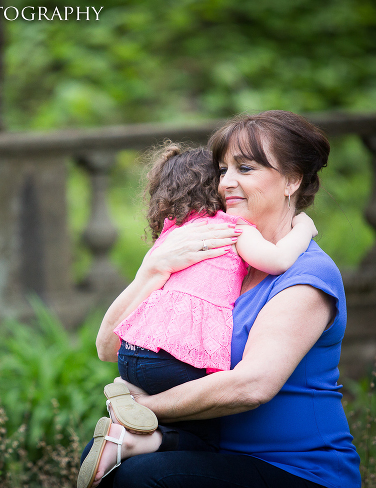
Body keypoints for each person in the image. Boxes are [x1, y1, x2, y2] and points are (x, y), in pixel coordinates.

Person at [79, 110, 361, 488]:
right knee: (100, 461)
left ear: (292, 180)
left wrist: (143, 410)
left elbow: (253, 385)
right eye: (223, 169)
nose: (226, 181)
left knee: (143, 479)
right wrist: (152, 270)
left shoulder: (308, 275)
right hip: (217, 450)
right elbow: (109, 348)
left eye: (245, 169)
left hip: (297, 470)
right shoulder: (218, 260)